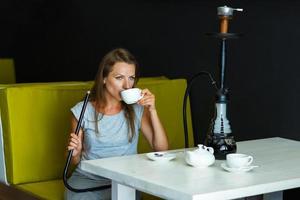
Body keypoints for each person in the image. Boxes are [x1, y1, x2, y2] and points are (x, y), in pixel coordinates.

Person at [64, 48, 168, 200]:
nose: (127, 85)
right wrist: (75, 153)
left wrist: (152, 110)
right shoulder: (82, 110)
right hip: (88, 180)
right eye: (119, 77)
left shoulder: (137, 109)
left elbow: (161, 148)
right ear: (104, 78)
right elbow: (74, 161)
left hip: (125, 180)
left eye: (131, 78)